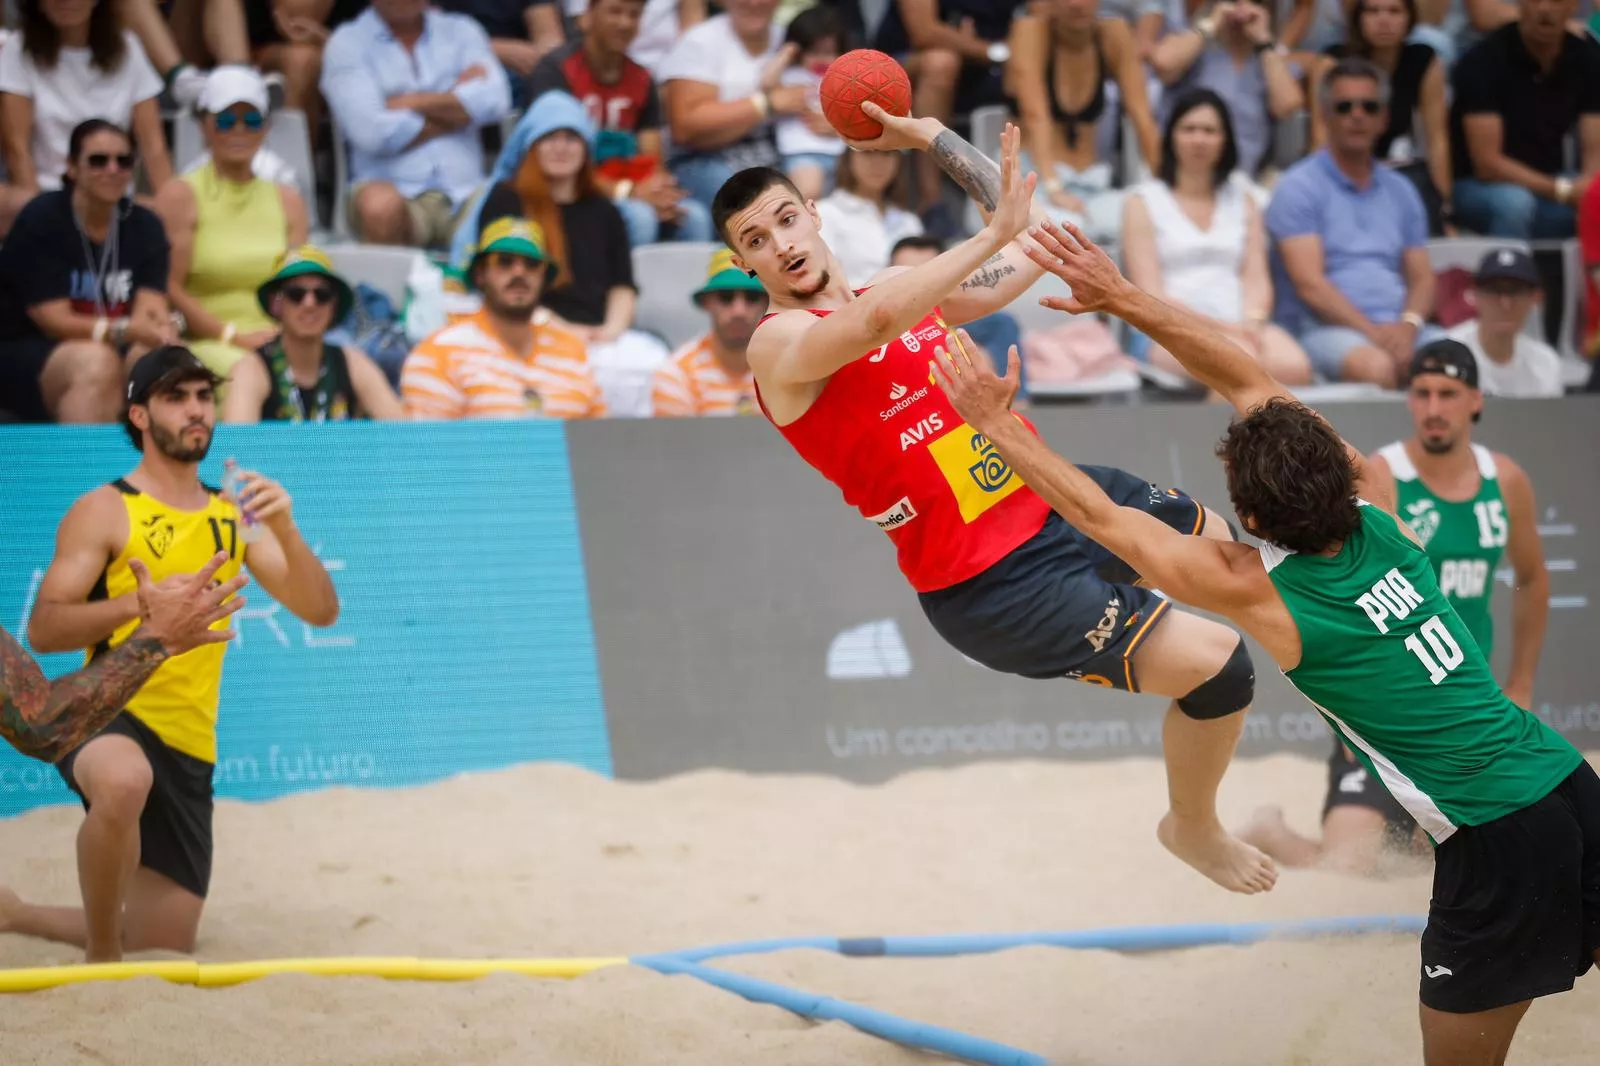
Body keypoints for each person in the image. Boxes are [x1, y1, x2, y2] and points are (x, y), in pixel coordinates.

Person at [936, 215, 1596, 1066]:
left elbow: (1102, 518)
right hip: (1570, 779)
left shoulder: (1260, 590)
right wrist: (1123, 297)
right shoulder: (1377, 511)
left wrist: (995, 424)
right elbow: (1248, 379)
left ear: (1247, 520)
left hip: (1494, 832)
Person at [714, 106, 1277, 895]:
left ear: (813, 215)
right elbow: (878, 319)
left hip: (1058, 495)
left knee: (1249, 564)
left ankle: (1364, 705)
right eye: (756, 242)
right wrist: (988, 235)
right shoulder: (777, 345)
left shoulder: (904, 289)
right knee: (1222, 669)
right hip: (993, 584)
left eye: (783, 221)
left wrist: (930, 138)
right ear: (745, 264)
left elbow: (1034, 245)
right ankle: (1192, 826)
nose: (781, 246)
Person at [0, 345, 340, 963]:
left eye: (204, 397)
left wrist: (285, 529)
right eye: (176, 397)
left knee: (166, 939)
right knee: (125, 782)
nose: (196, 411)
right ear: (138, 415)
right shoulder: (104, 508)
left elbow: (320, 611)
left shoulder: (234, 516)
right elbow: (46, 631)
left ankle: (15, 913)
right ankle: (102, 959)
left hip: (189, 739)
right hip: (107, 707)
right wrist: (138, 609)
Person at [1241, 337, 1550, 874]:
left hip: (1459, 716)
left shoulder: (1506, 481)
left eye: (1448, 394)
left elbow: (1533, 579)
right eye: (1422, 393)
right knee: (1347, 868)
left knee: (1455, 864)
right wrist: (1349, 730)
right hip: (1381, 716)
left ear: (1476, 400)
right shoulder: (1380, 477)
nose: (1434, 408)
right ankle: (1272, 830)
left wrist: (1520, 684)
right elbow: (1325, 604)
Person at [461, 90, 667, 417]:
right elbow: (497, 284)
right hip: (528, 333)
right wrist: (565, 332)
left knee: (654, 366)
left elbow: (622, 286)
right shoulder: (507, 201)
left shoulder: (604, 210)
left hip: (597, 338)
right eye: (550, 138)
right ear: (531, 146)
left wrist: (610, 331)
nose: (561, 147)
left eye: (572, 138)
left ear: (586, 148)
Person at [1267, 58, 1443, 388]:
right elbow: (1311, 286)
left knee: (1459, 363)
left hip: (1400, 330)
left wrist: (1407, 327)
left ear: (1384, 118)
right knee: (1378, 369)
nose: (1357, 115)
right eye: (1344, 106)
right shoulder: (1298, 186)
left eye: (1369, 106)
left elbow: (1422, 278)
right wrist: (1375, 334)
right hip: (1321, 331)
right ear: (1325, 115)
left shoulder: (1401, 189)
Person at [1121, 89, 1312, 388]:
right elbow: (1149, 293)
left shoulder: (1244, 200)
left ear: (1226, 140)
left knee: (1294, 366)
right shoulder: (1142, 202)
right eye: (1189, 129)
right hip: (1165, 328)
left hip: (1240, 324)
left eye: (1210, 130)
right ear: (1171, 136)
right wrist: (1225, 330)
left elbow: (1255, 277)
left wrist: (1252, 322)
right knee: (1238, 362)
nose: (1199, 139)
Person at [0, 120, 173, 424]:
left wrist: (159, 330)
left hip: (114, 343)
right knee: (97, 362)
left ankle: (162, 471)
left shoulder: (145, 225)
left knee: (164, 361)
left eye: (123, 161)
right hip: (30, 349)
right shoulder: (44, 219)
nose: (112, 169)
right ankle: (84, 471)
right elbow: (53, 320)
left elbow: (151, 311)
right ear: (71, 167)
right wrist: (123, 330)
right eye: (98, 160)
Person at [1, 554, 248, 764]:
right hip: (134, 735)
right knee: (122, 780)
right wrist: (159, 637)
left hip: (187, 746)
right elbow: (41, 725)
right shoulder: (99, 512)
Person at [155, 66, 310, 384]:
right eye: (226, 120)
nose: (238, 130)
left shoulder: (288, 200)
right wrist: (233, 337)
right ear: (204, 126)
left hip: (278, 341)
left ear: (265, 128)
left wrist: (285, 336)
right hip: (208, 342)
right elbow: (169, 287)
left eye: (251, 121)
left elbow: (300, 284)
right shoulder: (181, 194)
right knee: (248, 374)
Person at [320, 0, 512, 247]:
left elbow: (496, 101)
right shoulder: (346, 42)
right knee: (379, 205)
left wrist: (410, 102)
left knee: (510, 198)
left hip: (466, 192)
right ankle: (388, 287)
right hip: (396, 192)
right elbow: (373, 133)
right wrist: (458, 104)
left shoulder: (462, 30)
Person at [523, 0, 710, 246]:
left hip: (628, 188)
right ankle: (621, 285)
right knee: (639, 217)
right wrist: (628, 192)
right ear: (588, 15)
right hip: (568, 190)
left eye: (634, 14)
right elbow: (552, 163)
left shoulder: (642, 79)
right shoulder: (555, 71)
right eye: (615, 11)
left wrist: (660, 193)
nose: (624, 23)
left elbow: (653, 160)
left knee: (694, 217)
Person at [404, 217, 606, 420]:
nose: (519, 272)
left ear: (543, 276)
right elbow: (431, 449)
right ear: (480, 274)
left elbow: (602, 443)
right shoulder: (439, 354)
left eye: (532, 263)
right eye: (504, 261)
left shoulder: (573, 351)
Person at [1007, 0, 1160, 242]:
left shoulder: (1114, 32)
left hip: (1092, 184)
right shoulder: (1030, 30)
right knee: (1060, 227)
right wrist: (1054, 187)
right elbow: (1035, 115)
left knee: (1147, 220)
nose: (1077, 4)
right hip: (1032, 180)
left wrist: (1166, 185)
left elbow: (1142, 116)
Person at [1448, 0, 1600, 240]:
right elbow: (1487, 165)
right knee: (1515, 203)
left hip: (1549, 181)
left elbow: (1595, 149)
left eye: (1557, 1)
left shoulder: (1588, 57)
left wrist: (1589, 189)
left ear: (1573, 7)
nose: (1545, 9)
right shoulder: (1482, 60)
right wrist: (1562, 190)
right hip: (1478, 187)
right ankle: (1508, 276)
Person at [0, 0, 173, 211]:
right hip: (48, 195)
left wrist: (171, 209)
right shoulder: (18, 50)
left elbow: (154, 147)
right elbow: (17, 148)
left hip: (114, 198)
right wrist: (40, 217)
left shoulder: (128, 48)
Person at [1309, 0, 1450, 235]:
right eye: (1373, 11)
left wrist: (1444, 205)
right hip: (1343, 169)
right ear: (1358, 18)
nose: (1384, 20)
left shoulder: (1423, 60)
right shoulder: (1331, 62)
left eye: (1395, 11)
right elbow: (1319, 135)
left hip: (1396, 168)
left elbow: (1438, 138)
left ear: (1409, 17)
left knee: (1418, 194)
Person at [222, 246, 404, 422]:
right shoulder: (251, 369)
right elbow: (236, 449)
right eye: (296, 294)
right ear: (276, 304)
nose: (310, 303)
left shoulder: (353, 363)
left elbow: (402, 434)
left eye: (322, 294)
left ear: (333, 305)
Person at [1149, 0, 1305, 183]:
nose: (1241, 8)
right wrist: (1210, 24)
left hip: (1242, 181)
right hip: (1182, 179)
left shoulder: (1269, 61)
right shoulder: (1192, 47)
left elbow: (1287, 106)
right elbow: (1163, 63)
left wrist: (1264, 40)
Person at [650, 246, 766, 416]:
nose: (739, 311)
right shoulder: (676, 373)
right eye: (726, 297)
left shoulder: (787, 369)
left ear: (767, 303)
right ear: (706, 302)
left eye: (751, 297)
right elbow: (675, 443)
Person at [1445, 247, 1565, 398]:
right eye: (1494, 291)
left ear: (1536, 298)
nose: (1505, 304)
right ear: (1474, 295)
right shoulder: (1447, 353)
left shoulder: (1546, 364)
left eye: (1516, 292)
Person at [814, 149, 924, 288]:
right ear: (849, 157)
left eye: (887, 153)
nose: (877, 163)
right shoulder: (824, 213)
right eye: (867, 152)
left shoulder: (909, 221)